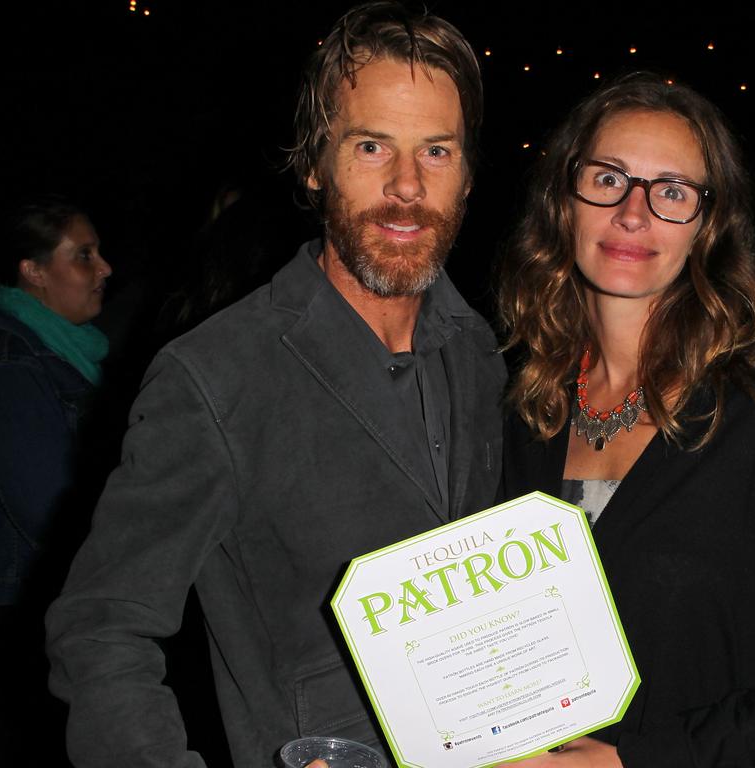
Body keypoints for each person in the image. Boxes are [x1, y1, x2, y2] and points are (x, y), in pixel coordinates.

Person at [45, 3, 504, 767]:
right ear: (316, 163)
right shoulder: (218, 375)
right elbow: (102, 628)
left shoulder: (478, 349)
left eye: (437, 151)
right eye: (370, 146)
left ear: (465, 174)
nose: (406, 185)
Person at [498, 73, 755, 766]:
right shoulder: (529, 403)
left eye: (672, 191)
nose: (634, 212)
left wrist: (636, 760)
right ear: (565, 199)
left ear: (708, 228)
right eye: (608, 178)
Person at [0, 195, 112, 766]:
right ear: (32, 271)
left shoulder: (64, 352)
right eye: (83, 255)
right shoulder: (10, 362)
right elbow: (47, 509)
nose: (105, 268)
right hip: (21, 609)